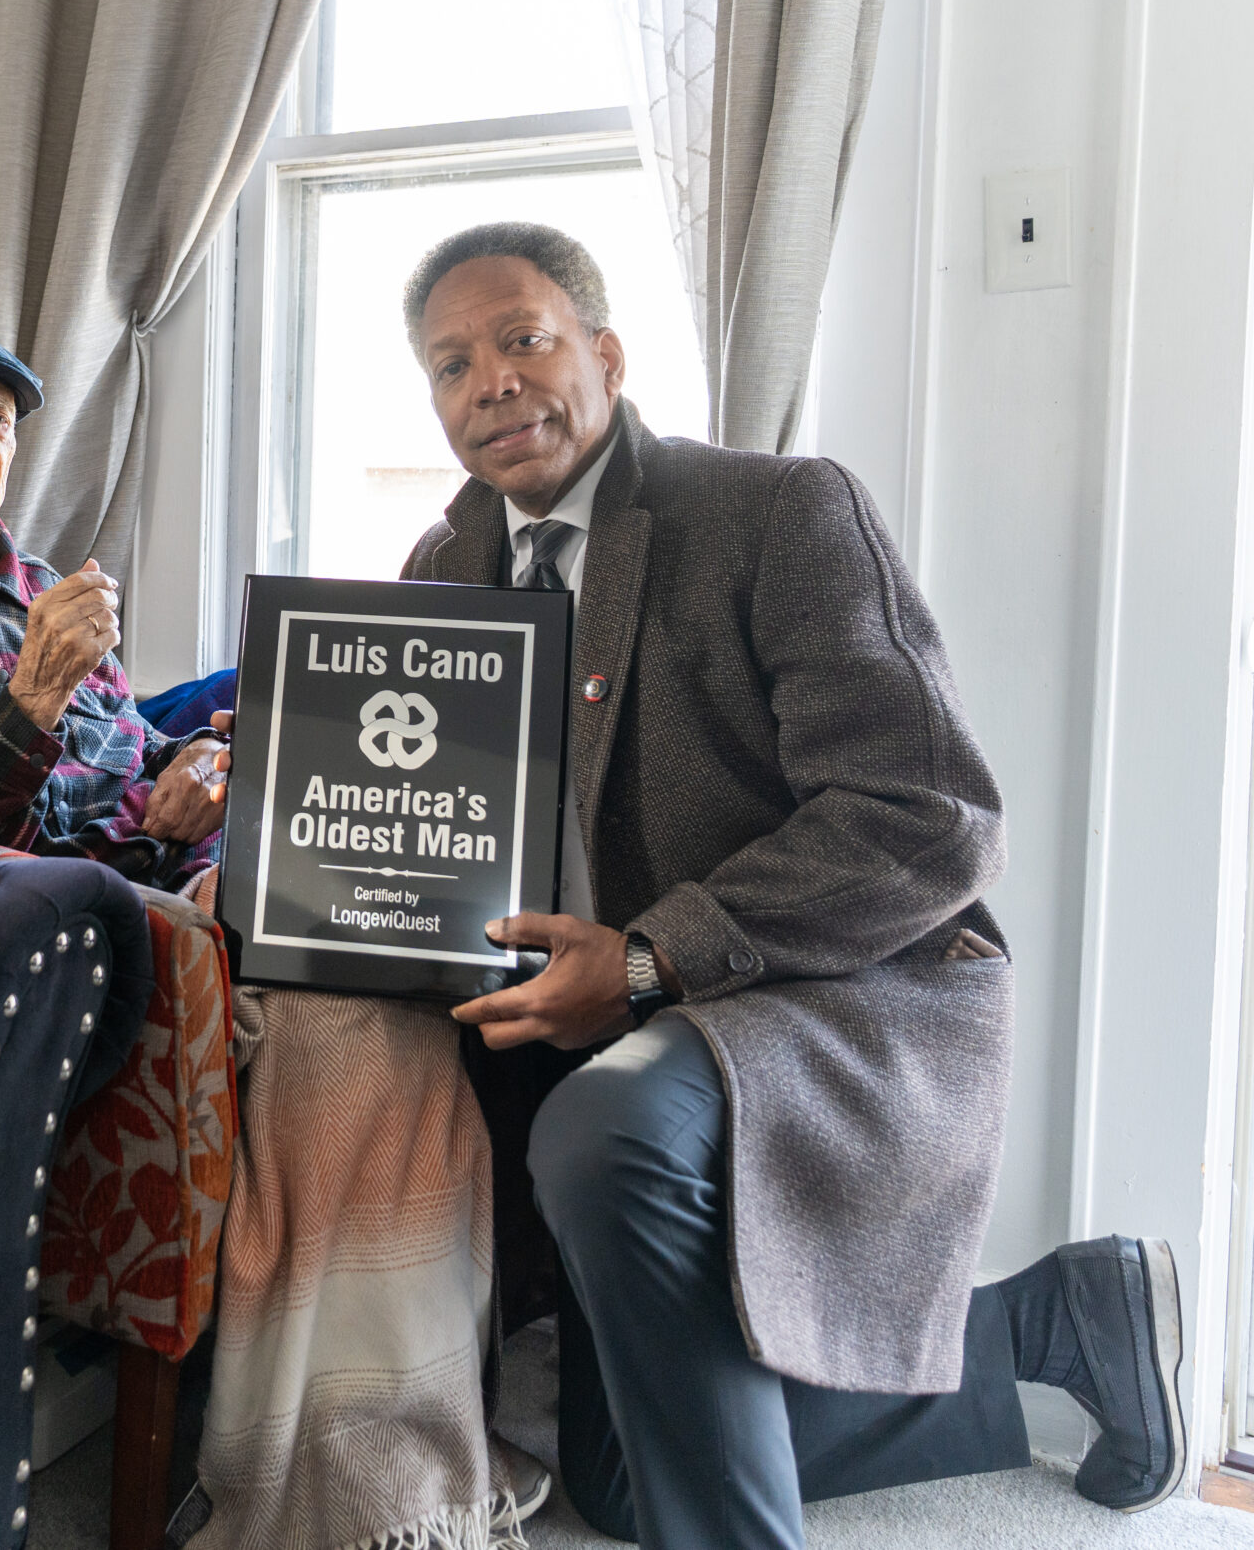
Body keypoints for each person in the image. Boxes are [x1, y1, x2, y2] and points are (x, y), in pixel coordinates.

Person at [399, 221, 1185, 1546]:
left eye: (522, 337)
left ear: (603, 349)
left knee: (602, 1134)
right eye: (449, 362)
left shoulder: (776, 510)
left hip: (818, 985)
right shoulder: (440, 570)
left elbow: (926, 816)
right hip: (590, 1015)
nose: (489, 380)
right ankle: (1054, 1316)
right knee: (628, 1473)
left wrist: (648, 959)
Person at [0, 324, 230, 896]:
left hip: (198, 863)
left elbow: (138, 744)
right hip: (92, 906)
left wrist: (201, 756)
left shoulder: (45, 585)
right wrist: (35, 697)